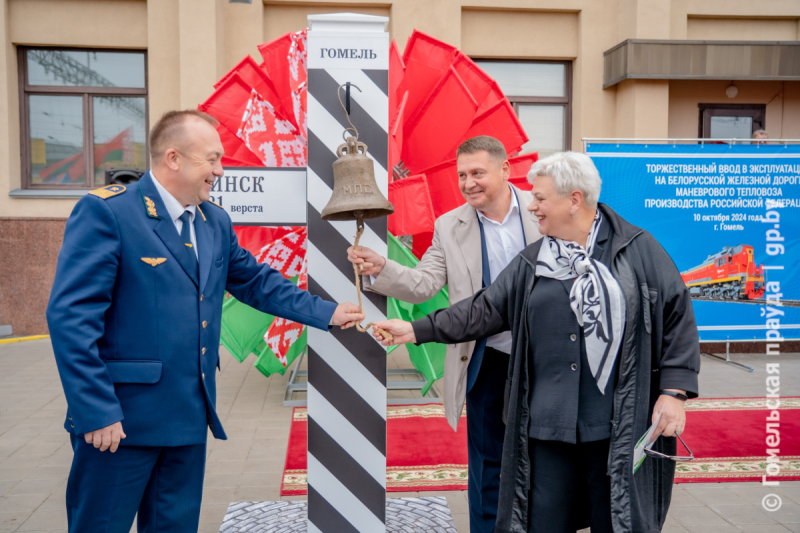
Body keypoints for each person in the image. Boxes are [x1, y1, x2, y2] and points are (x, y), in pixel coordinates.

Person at [46, 110, 363, 533]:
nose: (219, 170)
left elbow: (254, 281)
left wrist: (326, 312)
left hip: (187, 415)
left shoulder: (214, 221)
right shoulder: (110, 213)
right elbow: (71, 317)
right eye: (211, 159)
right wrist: (96, 410)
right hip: (120, 423)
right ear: (173, 158)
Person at [372, 151, 701, 533]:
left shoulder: (637, 250)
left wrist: (674, 392)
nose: (532, 206)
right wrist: (415, 330)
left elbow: (677, 318)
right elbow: (483, 309)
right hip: (548, 425)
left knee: (616, 520)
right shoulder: (534, 260)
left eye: (541, 198)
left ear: (574, 200)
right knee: (541, 522)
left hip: (616, 423)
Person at [348, 136, 541, 532]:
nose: (468, 183)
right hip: (487, 361)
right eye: (462, 175)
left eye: (478, 173)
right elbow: (423, 283)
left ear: (505, 170)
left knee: (542, 461)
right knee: (488, 466)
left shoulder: (542, 211)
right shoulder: (449, 226)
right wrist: (380, 267)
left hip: (544, 361)